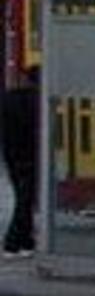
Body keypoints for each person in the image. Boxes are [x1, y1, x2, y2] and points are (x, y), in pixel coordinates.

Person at [2, 67, 40, 256]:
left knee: (23, 197)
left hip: (11, 155)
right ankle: (12, 241)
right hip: (32, 155)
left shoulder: (8, 99)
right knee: (25, 200)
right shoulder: (38, 101)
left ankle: (26, 241)